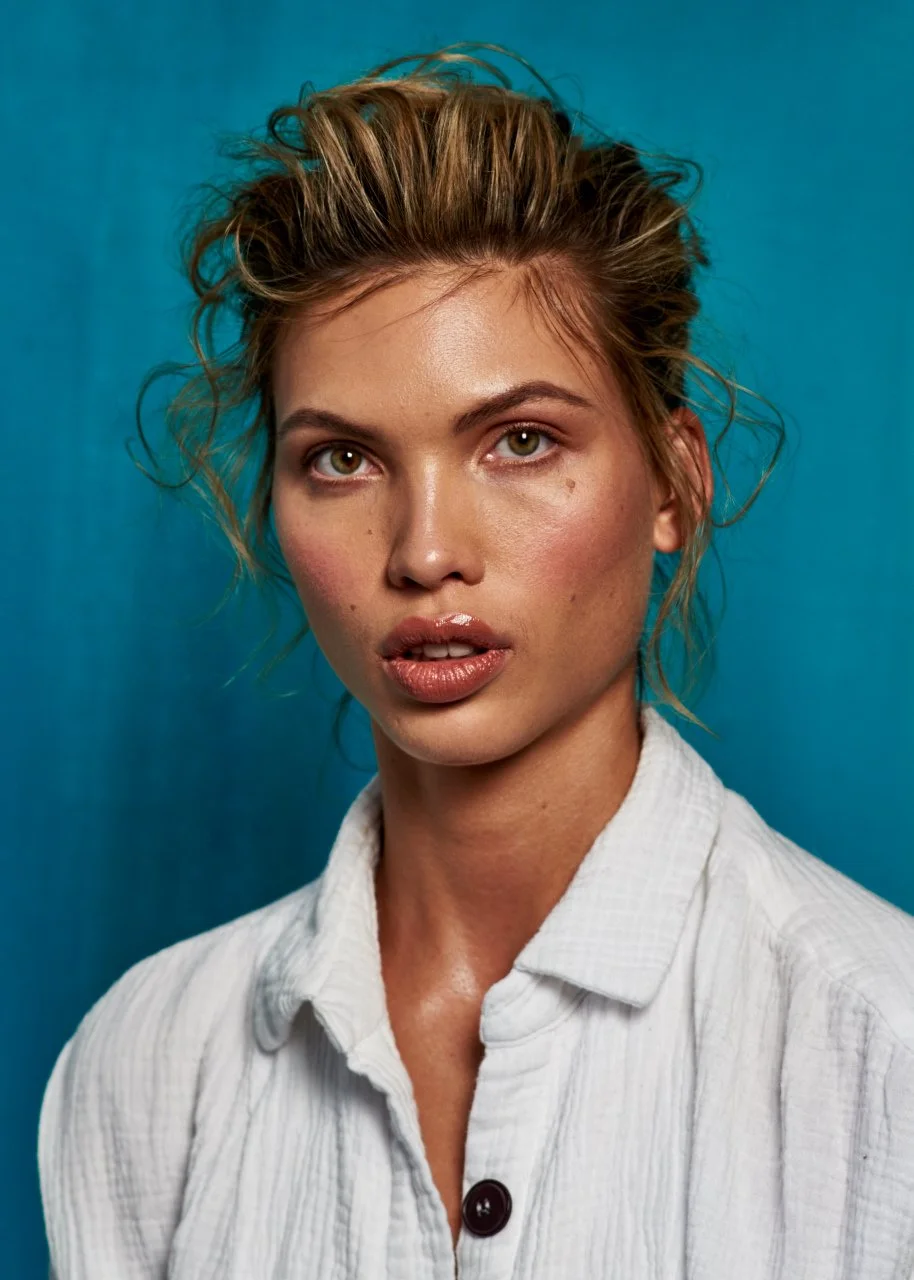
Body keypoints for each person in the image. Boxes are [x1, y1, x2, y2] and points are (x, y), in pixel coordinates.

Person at [38, 42, 914, 1280]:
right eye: (341, 458)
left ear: (674, 479)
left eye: (517, 439)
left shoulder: (882, 1048)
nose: (424, 550)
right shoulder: (148, 1063)